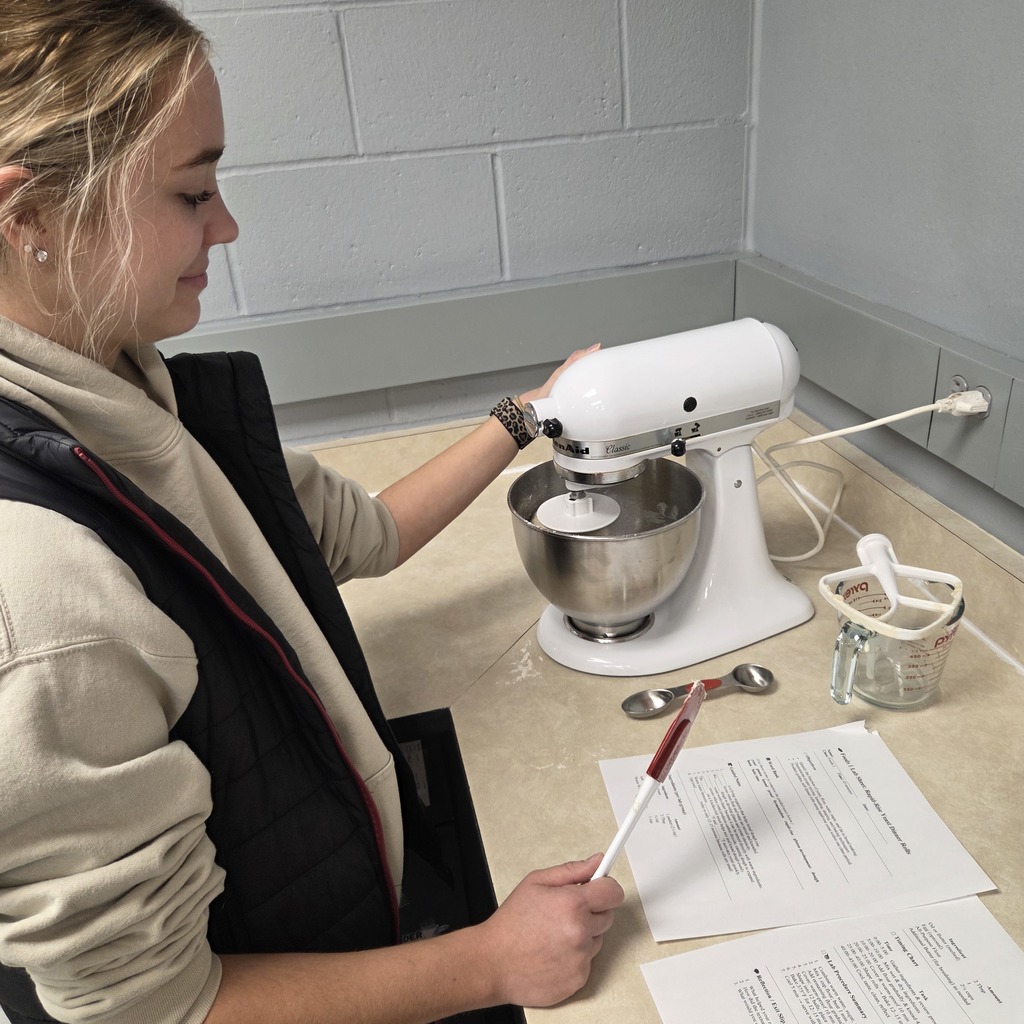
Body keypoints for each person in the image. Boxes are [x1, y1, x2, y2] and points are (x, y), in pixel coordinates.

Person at [0, 3, 622, 1023]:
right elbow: (157, 1010)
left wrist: (532, 413)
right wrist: (492, 964)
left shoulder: (132, 398)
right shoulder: (36, 586)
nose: (228, 225)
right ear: (28, 217)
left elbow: (362, 534)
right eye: (193, 190)